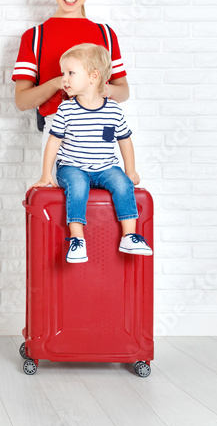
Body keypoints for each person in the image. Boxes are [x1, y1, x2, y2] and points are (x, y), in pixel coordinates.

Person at [30, 44, 152, 263]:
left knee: (123, 184)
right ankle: (77, 239)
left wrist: (130, 170)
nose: (64, 79)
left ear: (93, 77)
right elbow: (53, 143)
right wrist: (46, 174)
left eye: (70, 73)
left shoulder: (113, 110)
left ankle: (129, 235)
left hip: (105, 168)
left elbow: (125, 140)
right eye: (63, 73)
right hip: (72, 167)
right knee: (78, 186)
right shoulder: (66, 110)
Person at [12, 0, 130, 135]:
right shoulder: (34, 37)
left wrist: (102, 89)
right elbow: (22, 101)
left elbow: (123, 91)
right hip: (57, 130)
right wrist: (58, 83)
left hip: (101, 129)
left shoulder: (106, 34)